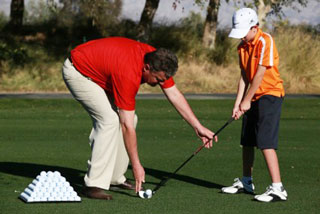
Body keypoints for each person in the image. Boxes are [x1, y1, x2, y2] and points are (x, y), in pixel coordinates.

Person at [62, 37, 217, 200]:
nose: (159, 84)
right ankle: (93, 184)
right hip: (78, 71)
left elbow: (174, 94)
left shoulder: (159, 60)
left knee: (131, 119)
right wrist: (136, 166)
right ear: (147, 67)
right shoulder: (128, 74)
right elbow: (126, 126)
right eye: (157, 79)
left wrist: (197, 126)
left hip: (103, 71)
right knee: (109, 120)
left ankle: (115, 177)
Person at [221, 8, 287, 202]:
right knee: (247, 140)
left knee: (265, 141)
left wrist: (247, 101)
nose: (241, 37)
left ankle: (278, 188)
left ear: (254, 27)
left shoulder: (265, 41)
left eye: (244, 32)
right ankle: (246, 181)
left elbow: (259, 74)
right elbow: (244, 76)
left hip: (270, 94)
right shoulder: (242, 46)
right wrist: (238, 104)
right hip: (253, 96)